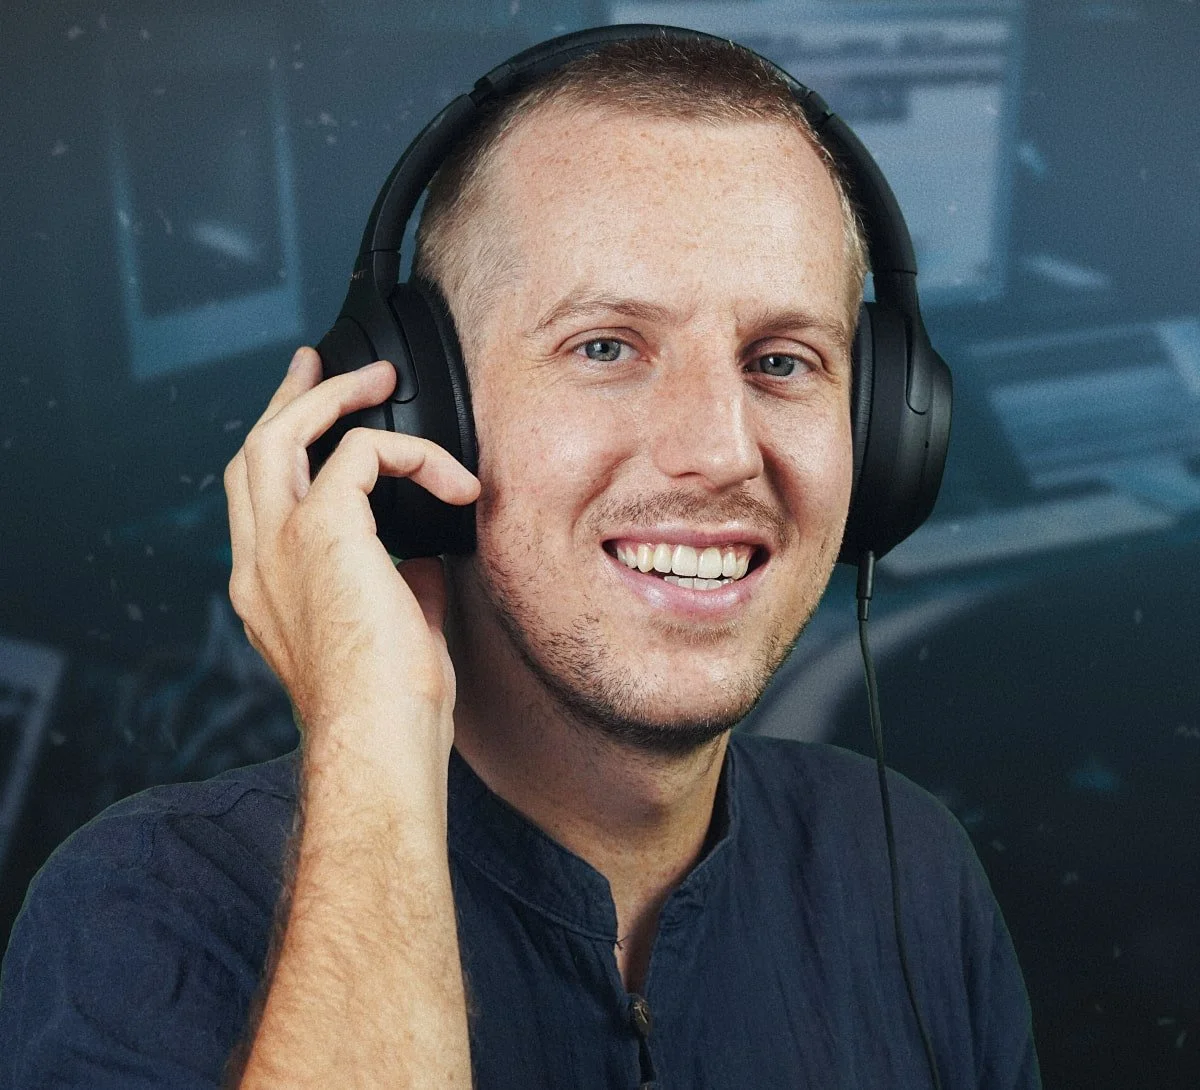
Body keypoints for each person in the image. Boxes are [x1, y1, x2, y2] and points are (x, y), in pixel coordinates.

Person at [0, 30, 1040, 1089]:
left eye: (782, 361)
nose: (721, 451)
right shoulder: (147, 910)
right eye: (605, 348)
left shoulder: (908, 869)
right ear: (418, 410)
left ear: (884, 434)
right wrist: (369, 732)